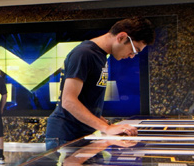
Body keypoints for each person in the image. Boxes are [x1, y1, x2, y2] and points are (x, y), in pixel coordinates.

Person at [43, 17, 153, 149]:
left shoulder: (100, 56)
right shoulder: (84, 53)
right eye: (134, 49)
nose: (132, 56)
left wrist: (108, 125)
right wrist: (106, 128)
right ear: (122, 37)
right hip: (65, 135)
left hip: (81, 133)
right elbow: (68, 101)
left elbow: (85, 102)